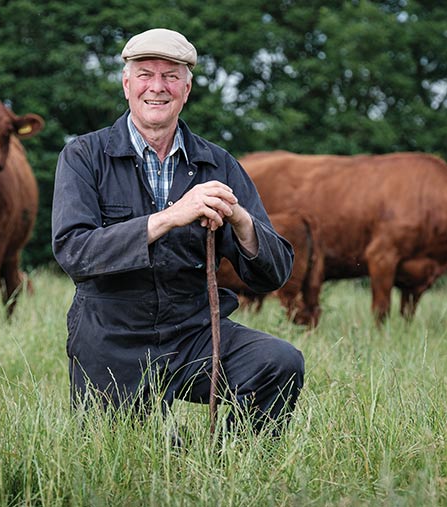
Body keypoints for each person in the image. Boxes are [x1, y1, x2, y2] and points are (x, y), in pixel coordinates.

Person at [51, 28, 304, 436]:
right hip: (113, 338)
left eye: (171, 76)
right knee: (126, 461)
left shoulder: (217, 164)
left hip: (195, 333)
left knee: (280, 363)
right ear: (126, 83)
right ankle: (173, 451)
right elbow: (74, 252)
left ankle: (230, 468)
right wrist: (170, 216)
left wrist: (240, 220)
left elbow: (273, 274)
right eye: (146, 74)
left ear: (186, 89)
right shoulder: (84, 155)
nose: (158, 87)